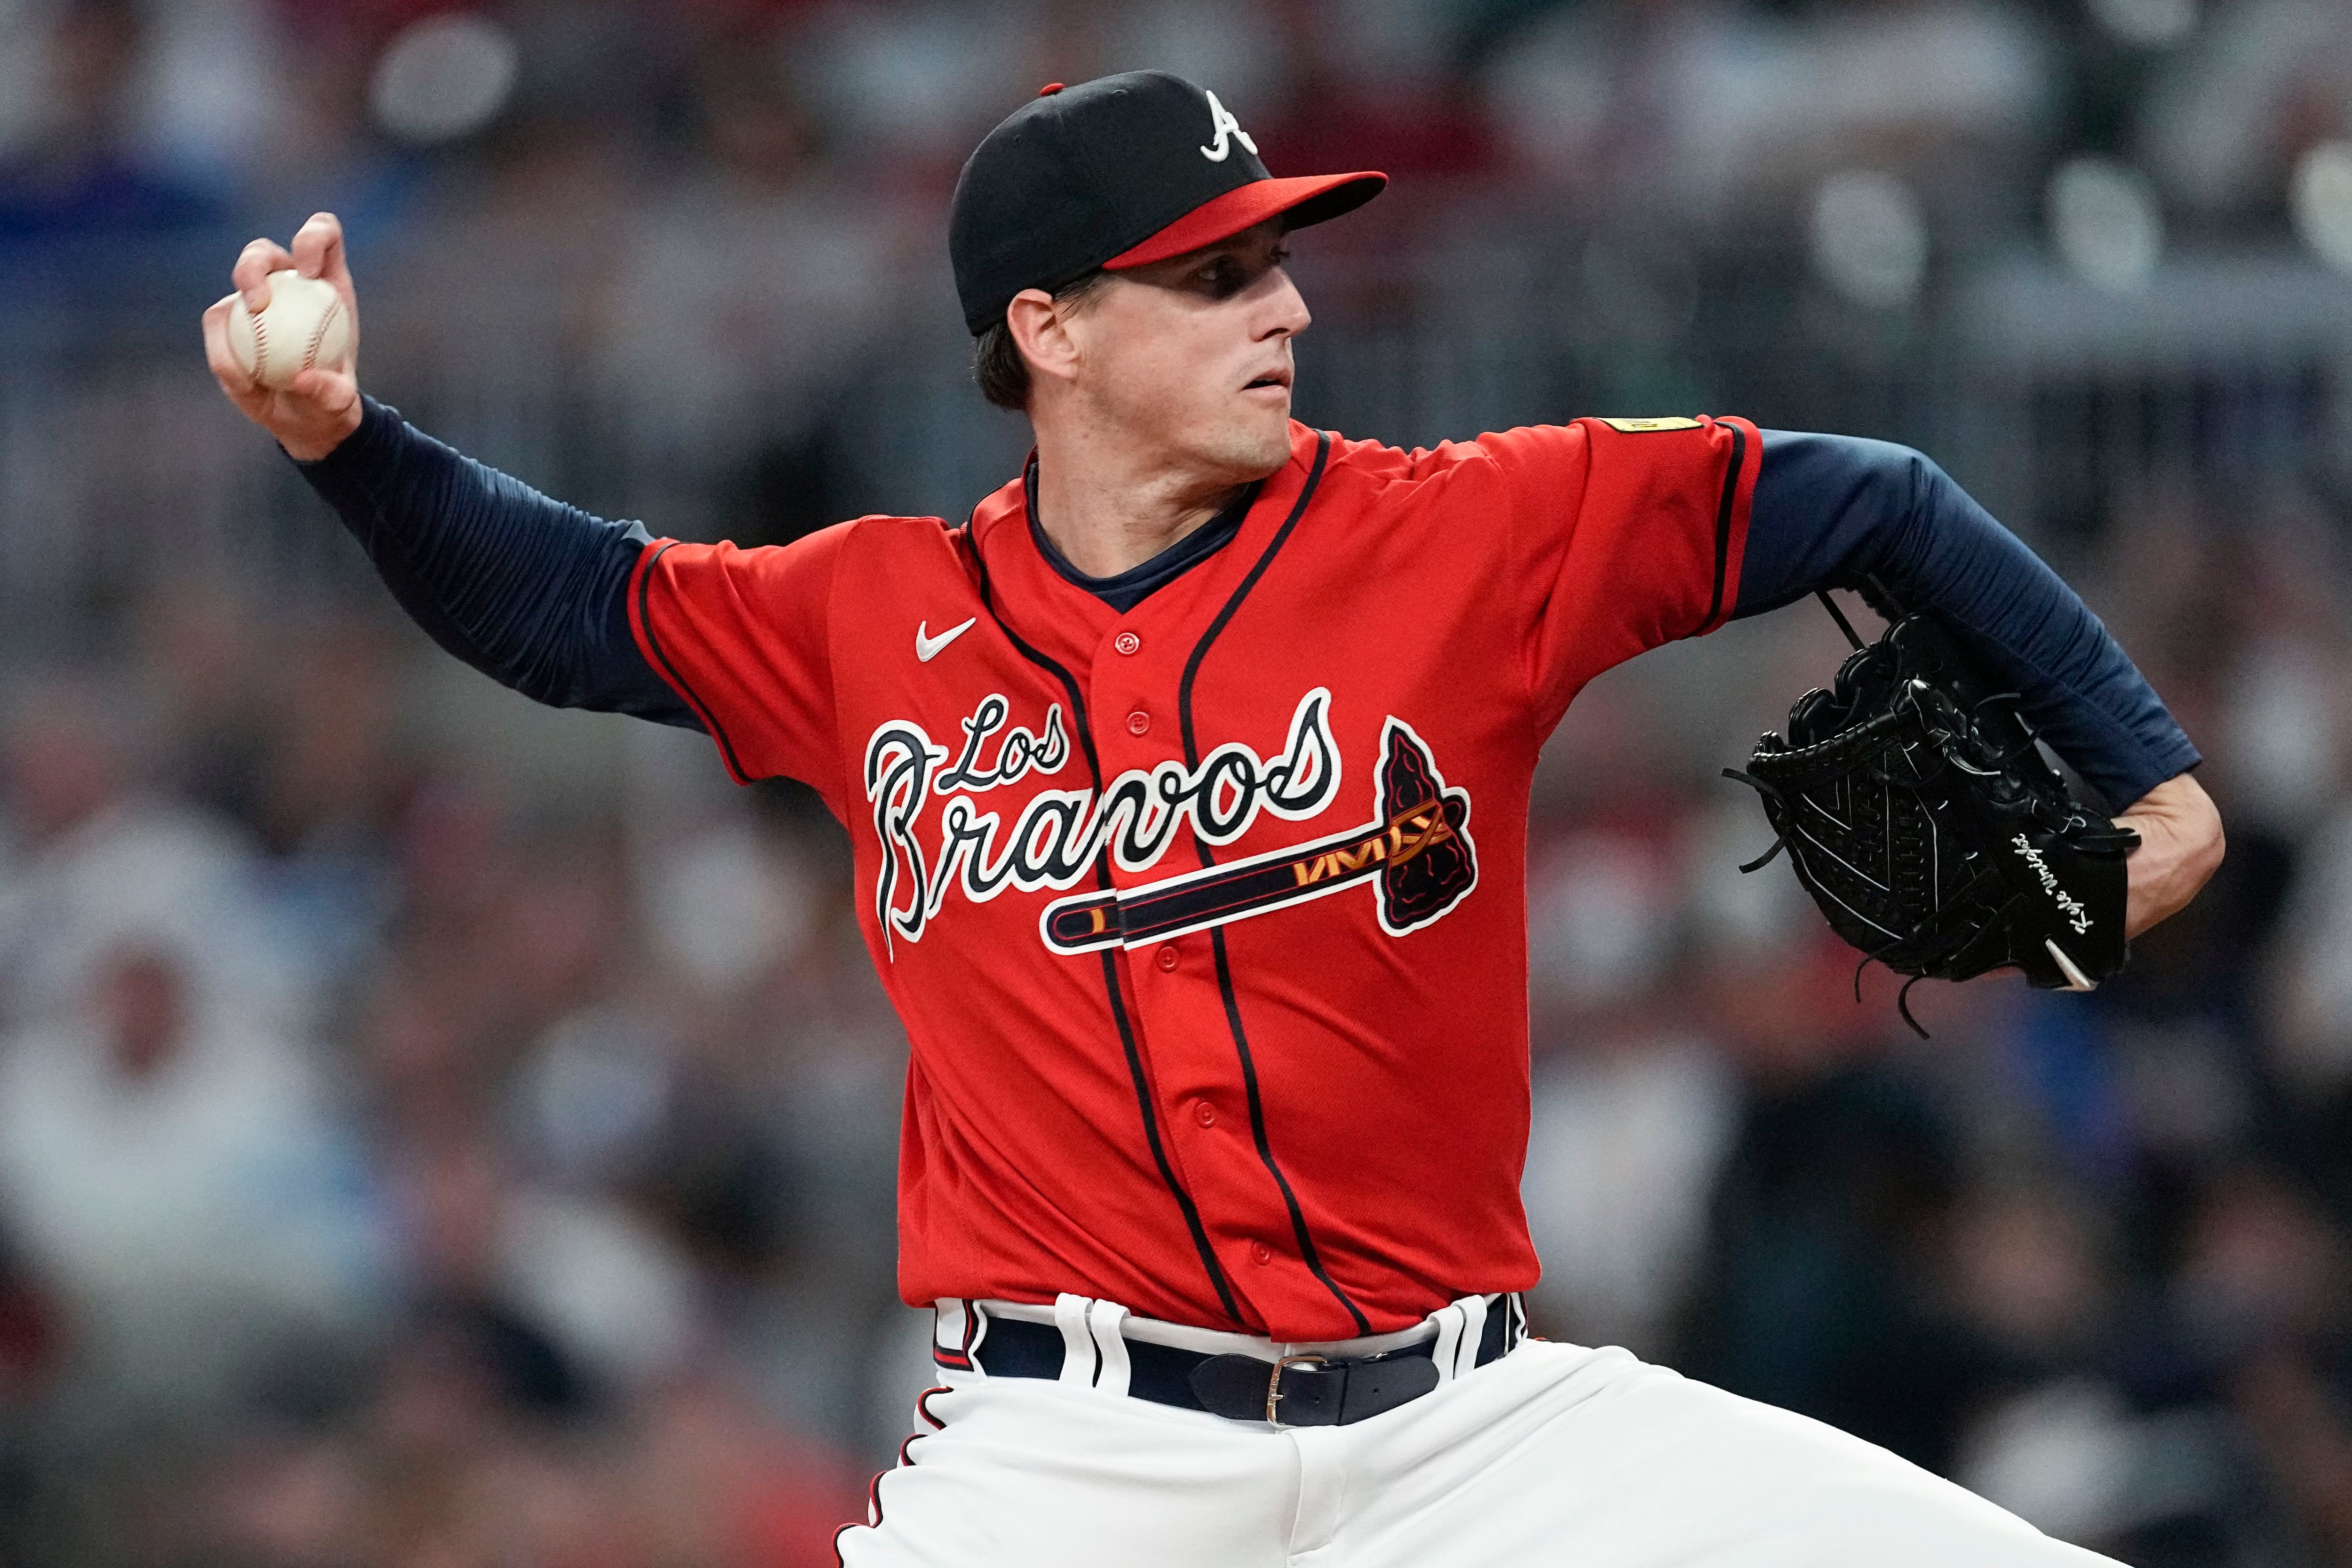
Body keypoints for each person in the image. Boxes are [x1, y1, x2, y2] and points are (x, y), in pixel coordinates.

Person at [205, 70, 2221, 1568]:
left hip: (1482, 1431)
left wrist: (2150, 785)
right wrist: (344, 445)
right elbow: (571, 607)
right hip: (1075, 1463)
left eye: (1277, 262)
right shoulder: (871, 617)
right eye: (1213, 275)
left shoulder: (1464, 535)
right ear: (1047, 333)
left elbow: (1871, 496)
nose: (1287, 311)